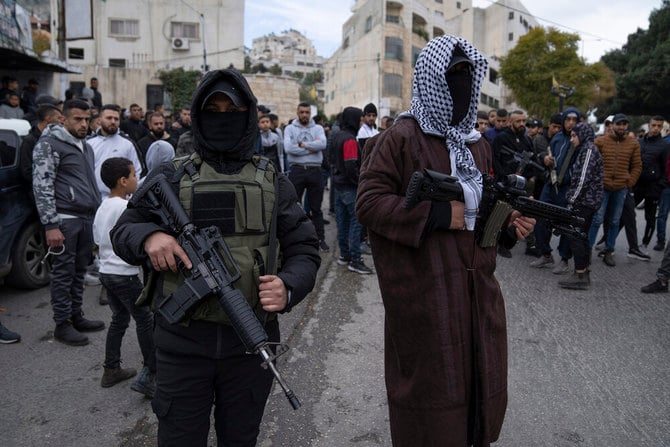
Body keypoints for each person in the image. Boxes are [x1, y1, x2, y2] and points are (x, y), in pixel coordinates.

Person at [110, 68, 321, 446]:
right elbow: (123, 230)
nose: (223, 117)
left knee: (240, 438)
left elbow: (305, 247)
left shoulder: (272, 179)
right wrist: (150, 236)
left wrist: (290, 287)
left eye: (233, 109)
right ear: (198, 114)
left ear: (248, 115)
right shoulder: (171, 175)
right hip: (181, 346)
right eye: (214, 109)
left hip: (250, 346)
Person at [356, 35, 535, 446]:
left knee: (480, 387)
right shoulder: (400, 137)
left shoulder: (478, 146)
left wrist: (508, 225)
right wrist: (437, 215)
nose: (461, 83)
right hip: (426, 294)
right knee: (432, 400)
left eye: (467, 75)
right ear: (430, 78)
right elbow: (369, 202)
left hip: (478, 293)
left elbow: (483, 216)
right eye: (452, 74)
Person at [32, 99, 105, 346]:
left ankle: (76, 316)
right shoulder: (49, 145)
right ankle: (62, 325)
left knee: (79, 271)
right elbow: (42, 186)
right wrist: (51, 225)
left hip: (85, 219)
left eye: (87, 119)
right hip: (64, 220)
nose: (84, 124)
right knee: (63, 273)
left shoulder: (86, 146)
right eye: (78, 119)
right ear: (63, 119)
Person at [93, 157, 156, 395]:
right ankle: (150, 374)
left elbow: (97, 241)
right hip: (123, 274)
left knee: (119, 318)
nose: (136, 180)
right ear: (123, 181)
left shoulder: (103, 206)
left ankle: (111, 369)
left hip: (106, 272)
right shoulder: (124, 208)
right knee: (145, 318)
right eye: (133, 176)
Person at [530, 107, 582, 272]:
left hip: (567, 189)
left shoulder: (581, 140)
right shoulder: (557, 137)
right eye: (568, 120)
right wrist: (546, 159)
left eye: (574, 120)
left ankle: (564, 259)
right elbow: (550, 155)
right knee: (540, 220)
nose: (571, 123)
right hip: (550, 185)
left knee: (565, 225)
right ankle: (545, 254)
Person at [589, 113, 642, 267]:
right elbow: (591, 162)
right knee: (597, 219)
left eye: (624, 124)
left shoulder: (633, 143)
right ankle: (587, 250)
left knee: (614, 220)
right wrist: (595, 182)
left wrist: (629, 182)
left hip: (620, 188)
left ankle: (609, 250)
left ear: (627, 126)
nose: (621, 127)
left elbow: (637, 165)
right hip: (602, 187)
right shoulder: (600, 141)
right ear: (612, 125)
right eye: (619, 123)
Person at [558, 122, 604, 290]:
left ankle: (580, 274)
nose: (571, 140)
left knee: (575, 235)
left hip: (584, 202)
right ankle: (582, 272)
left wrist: (572, 200)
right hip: (587, 201)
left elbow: (583, 179)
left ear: (582, 135)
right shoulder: (586, 149)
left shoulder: (589, 150)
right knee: (581, 235)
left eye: (574, 136)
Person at [331, 106, 372, 274]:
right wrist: (359, 182)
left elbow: (330, 160)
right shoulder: (349, 140)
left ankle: (344, 255)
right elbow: (350, 166)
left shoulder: (336, 135)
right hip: (349, 188)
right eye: (360, 118)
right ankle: (355, 260)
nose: (361, 121)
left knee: (342, 223)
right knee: (355, 224)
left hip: (338, 186)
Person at [284, 102, 329, 251]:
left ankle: (320, 239)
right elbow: (288, 148)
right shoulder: (290, 128)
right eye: (302, 112)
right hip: (297, 170)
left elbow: (322, 144)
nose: (304, 115)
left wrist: (302, 145)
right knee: (293, 206)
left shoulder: (318, 128)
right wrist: (311, 148)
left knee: (316, 208)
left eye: (307, 112)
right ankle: (295, 240)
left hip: (315, 171)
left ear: (310, 113)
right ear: (297, 112)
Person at [87, 104, 144, 199]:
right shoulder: (89, 144)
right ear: (100, 120)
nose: (113, 122)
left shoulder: (128, 144)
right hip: (94, 200)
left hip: (123, 200)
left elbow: (138, 171)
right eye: (109, 118)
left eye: (116, 119)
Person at [20, 104, 64, 185]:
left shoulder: (56, 139)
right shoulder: (30, 141)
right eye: (59, 118)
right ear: (48, 118)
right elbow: (27, 171)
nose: (62, 121)